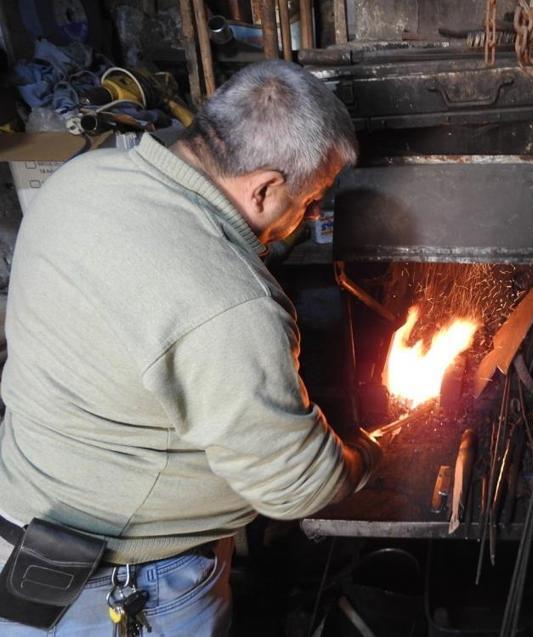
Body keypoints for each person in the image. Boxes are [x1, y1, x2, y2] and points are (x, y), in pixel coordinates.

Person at [0, 60, 381, 635]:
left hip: (19, 537)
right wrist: (368, 453)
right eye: (311, 199)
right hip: (129, 591)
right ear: (265, 186)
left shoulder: (80, 181)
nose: (309, 215)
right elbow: (298, 485)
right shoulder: (229, 305)